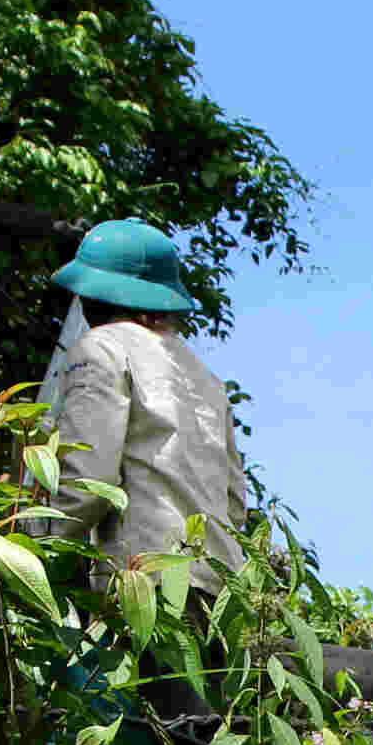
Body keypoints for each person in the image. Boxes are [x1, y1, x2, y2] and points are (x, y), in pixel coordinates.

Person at [40, 219, 245, 576]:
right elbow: (234, 506)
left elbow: (89, 481)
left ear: (93, 296)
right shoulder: (206, 378)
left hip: (146, 584)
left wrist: (29, 544)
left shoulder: (101, 349)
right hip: (219, 586)